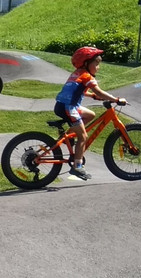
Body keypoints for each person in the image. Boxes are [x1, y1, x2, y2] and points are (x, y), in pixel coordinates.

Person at [53, 46, 126, 181]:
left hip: (64, 106)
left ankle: (69, 136)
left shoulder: (77, 73)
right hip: (69, 108)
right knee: (83, 137)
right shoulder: (86, 76)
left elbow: (77, 90)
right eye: (96, 64)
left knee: (90, 115)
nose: (98, 67)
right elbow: (99, 91)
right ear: (86, 63)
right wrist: (115, 99)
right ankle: (77, 166)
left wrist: (92, 96)